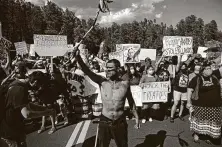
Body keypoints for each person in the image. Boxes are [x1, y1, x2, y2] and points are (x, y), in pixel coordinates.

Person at [74, 49, 140, 147]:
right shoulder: (102, 81)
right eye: (107, 68)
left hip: (120, 122)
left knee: (123, 145)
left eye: (110, 68)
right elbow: (87, 71)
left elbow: (131, 102)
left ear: (118, 69)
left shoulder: (125, 84)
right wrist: (78, 58)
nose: (107, 70)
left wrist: (137, 117)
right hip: (105, 120)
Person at [0, 62, 55, 147]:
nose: (39, 88)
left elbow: (25, 104)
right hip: (11, 132)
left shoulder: (17, 84)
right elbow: (27, 114)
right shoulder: (20, 89)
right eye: (40, 86)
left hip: (13, 128)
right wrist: (47, 113)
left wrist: (45, 109)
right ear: (36, 82)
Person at [187, 61, 222, 144]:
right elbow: (190, 90)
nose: (209, 69)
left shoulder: (215, 77)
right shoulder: (197, 78)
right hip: (200, 106)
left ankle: (208, 136)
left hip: (215, 106)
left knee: (211, 122)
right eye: (207, 68)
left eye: (210, 68)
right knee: (199, 121)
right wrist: (188, 102)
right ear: (202, 70)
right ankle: (197, 134)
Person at [170, 55, 188, 123]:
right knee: (176, 103)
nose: (183, 67)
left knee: (183, 103)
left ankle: (180, 115)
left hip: (184, 90)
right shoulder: (177, 71)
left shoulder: (187, 72)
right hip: (177, 90)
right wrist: (179, 56)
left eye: (184, 66)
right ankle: (172, 116)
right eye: (182, 66)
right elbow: (178, 64)